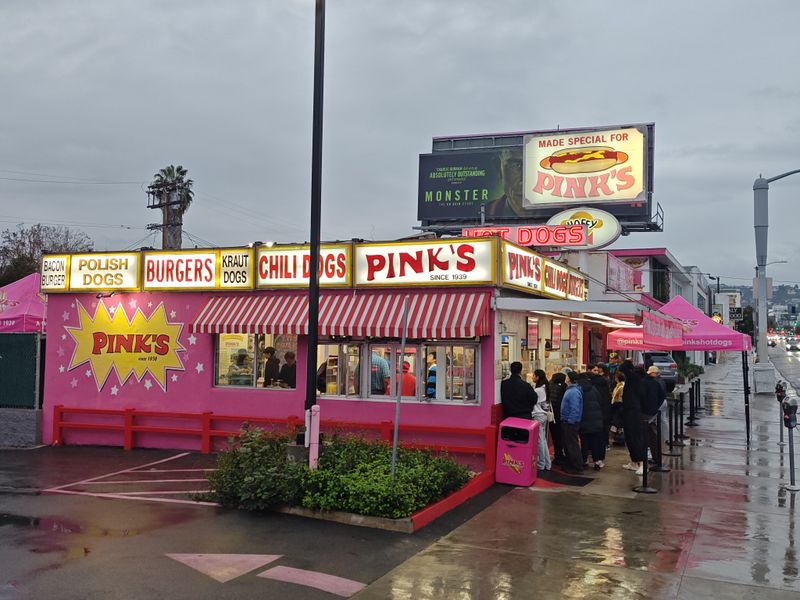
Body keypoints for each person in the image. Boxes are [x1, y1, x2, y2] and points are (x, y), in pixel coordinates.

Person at [619, 360, 646, 474]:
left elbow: (624, 368)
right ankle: (634, 461)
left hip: (633, 412)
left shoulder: (634, 378)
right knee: (629, 437)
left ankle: (642, 463)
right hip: (628, 411)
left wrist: (626, 363)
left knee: (635, 437)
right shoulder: (631, 379)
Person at [578, 372, 606, 469]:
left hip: (583, 420)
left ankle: (584, 460)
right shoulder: (594, 388)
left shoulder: (579, 390)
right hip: (596, 420)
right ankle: (597, 462)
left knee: (584, 441)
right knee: (595, 442)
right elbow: (600, 401)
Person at [642, 365, 668, 466]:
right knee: (655, 430)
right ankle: (656, 456)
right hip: (654, 409)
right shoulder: (658, 381)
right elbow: (662, 396)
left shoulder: (651, 382)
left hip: (649, 411)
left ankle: (652, 456)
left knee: (650, 433)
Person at [560, 371, 584, 473]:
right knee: (568, 444)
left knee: (572, 445)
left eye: (567, 376)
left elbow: (575, 408)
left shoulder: (573, 391)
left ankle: (576, 466)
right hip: (568, 421)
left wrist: (571, 421)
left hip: (570, 422)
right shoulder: (571, 389)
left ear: (569, 379)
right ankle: (571, 464)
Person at [531, 369, 551, 471]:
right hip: (543, 416)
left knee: (540, 441)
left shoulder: (538, 390)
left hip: (537, 416)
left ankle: (541, 464)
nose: (532, 377)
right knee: (543, 440)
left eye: (533, 375)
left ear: (538, 377)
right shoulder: (545, 388)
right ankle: (547, 463)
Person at [591, 364, 613, 449]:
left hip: (599, 408)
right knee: (604, 426)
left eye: (598, 369)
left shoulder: (596, 383)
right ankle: (605, 443)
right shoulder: (605, 381)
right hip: (605, 407)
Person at [548, 372, 567, 466]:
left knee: (555, 437)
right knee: (560, 436)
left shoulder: (549, 386)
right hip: (559, 416)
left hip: (551, 416)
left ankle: (558, 455)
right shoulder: (562, 388)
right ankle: (560, 455)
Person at [610, 370, 626, 445]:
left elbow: (619, 397)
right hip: (618, 406)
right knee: (617, 423)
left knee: (617, 423)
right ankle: (617, 438)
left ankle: (620, 438)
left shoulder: (621, 386)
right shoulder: (619, 385)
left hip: (619, 406)